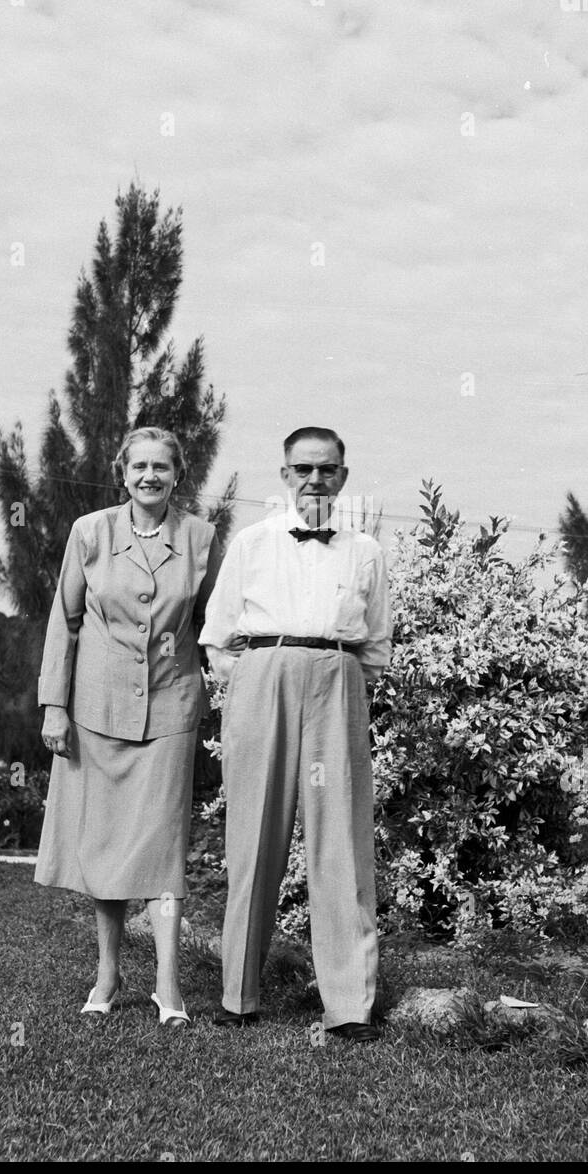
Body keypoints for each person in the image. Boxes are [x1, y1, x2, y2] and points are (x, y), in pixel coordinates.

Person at [199, 426, 391, 1043]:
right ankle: (239, 994)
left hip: (337, 680)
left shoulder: (365, 552)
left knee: (341, 840)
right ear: (284, 475)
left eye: (327, 470)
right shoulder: (252, 543)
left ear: (343, 475)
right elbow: (217, 637)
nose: (315, 480)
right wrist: (259, 678)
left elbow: (376, 645)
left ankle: (350, 1005)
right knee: (255, 835)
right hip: (263, 679)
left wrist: (332, 679)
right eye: (303, 469)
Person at [35, 426, 223, 1027]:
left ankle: (168, 985)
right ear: (122, 474)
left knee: (163, 846)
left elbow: (215, 623)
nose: (150, 476)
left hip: (170, 708)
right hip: (96, 708)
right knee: (105, 844)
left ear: (178, 475)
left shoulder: (200, 539)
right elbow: (64, 621)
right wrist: (53, 705)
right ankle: (108, 973)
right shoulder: (90, 533)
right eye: (139, 466)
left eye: (161, 467)